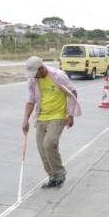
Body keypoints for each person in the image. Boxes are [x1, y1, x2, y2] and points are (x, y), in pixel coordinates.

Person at [22, 56, 81, 189]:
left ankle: (59, 173)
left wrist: (70, 114)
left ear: (41, 68)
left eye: (35, 73)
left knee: (49, 144)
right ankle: (52, 176)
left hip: (58, 116)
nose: (34, 77)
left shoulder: (58, 76)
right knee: (42, 148)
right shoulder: (32, 81)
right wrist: (25, 120)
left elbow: (73, 92)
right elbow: (30, 101)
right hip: (41, 116)